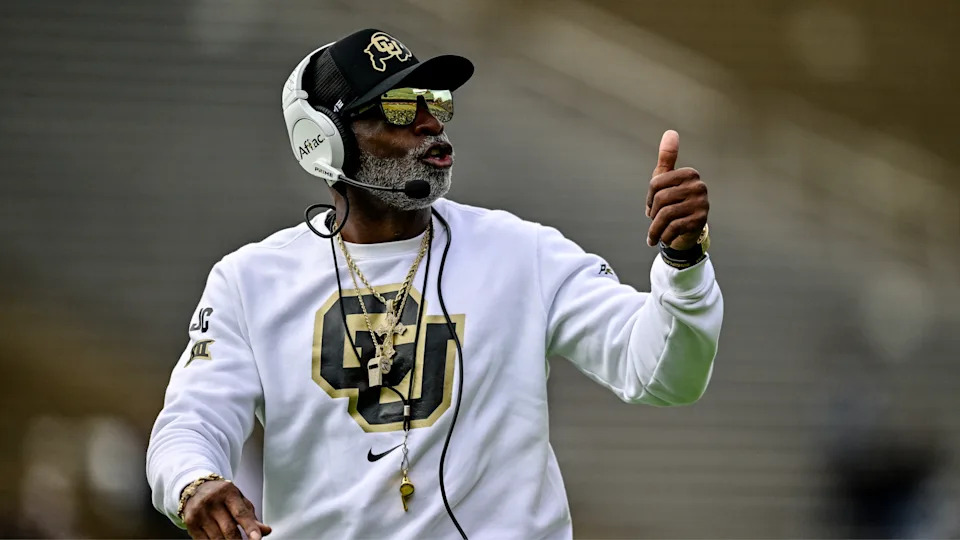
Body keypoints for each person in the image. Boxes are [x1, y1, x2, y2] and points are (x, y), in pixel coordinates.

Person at [146, 28, 723, 540]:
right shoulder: (250, 281)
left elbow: (662, 374)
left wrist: (682, 259)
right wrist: (193, 481)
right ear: (324, 140)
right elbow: (191, 421)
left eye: (435, 102)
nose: (430, 123)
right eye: (398, 108)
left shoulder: (524, 251)